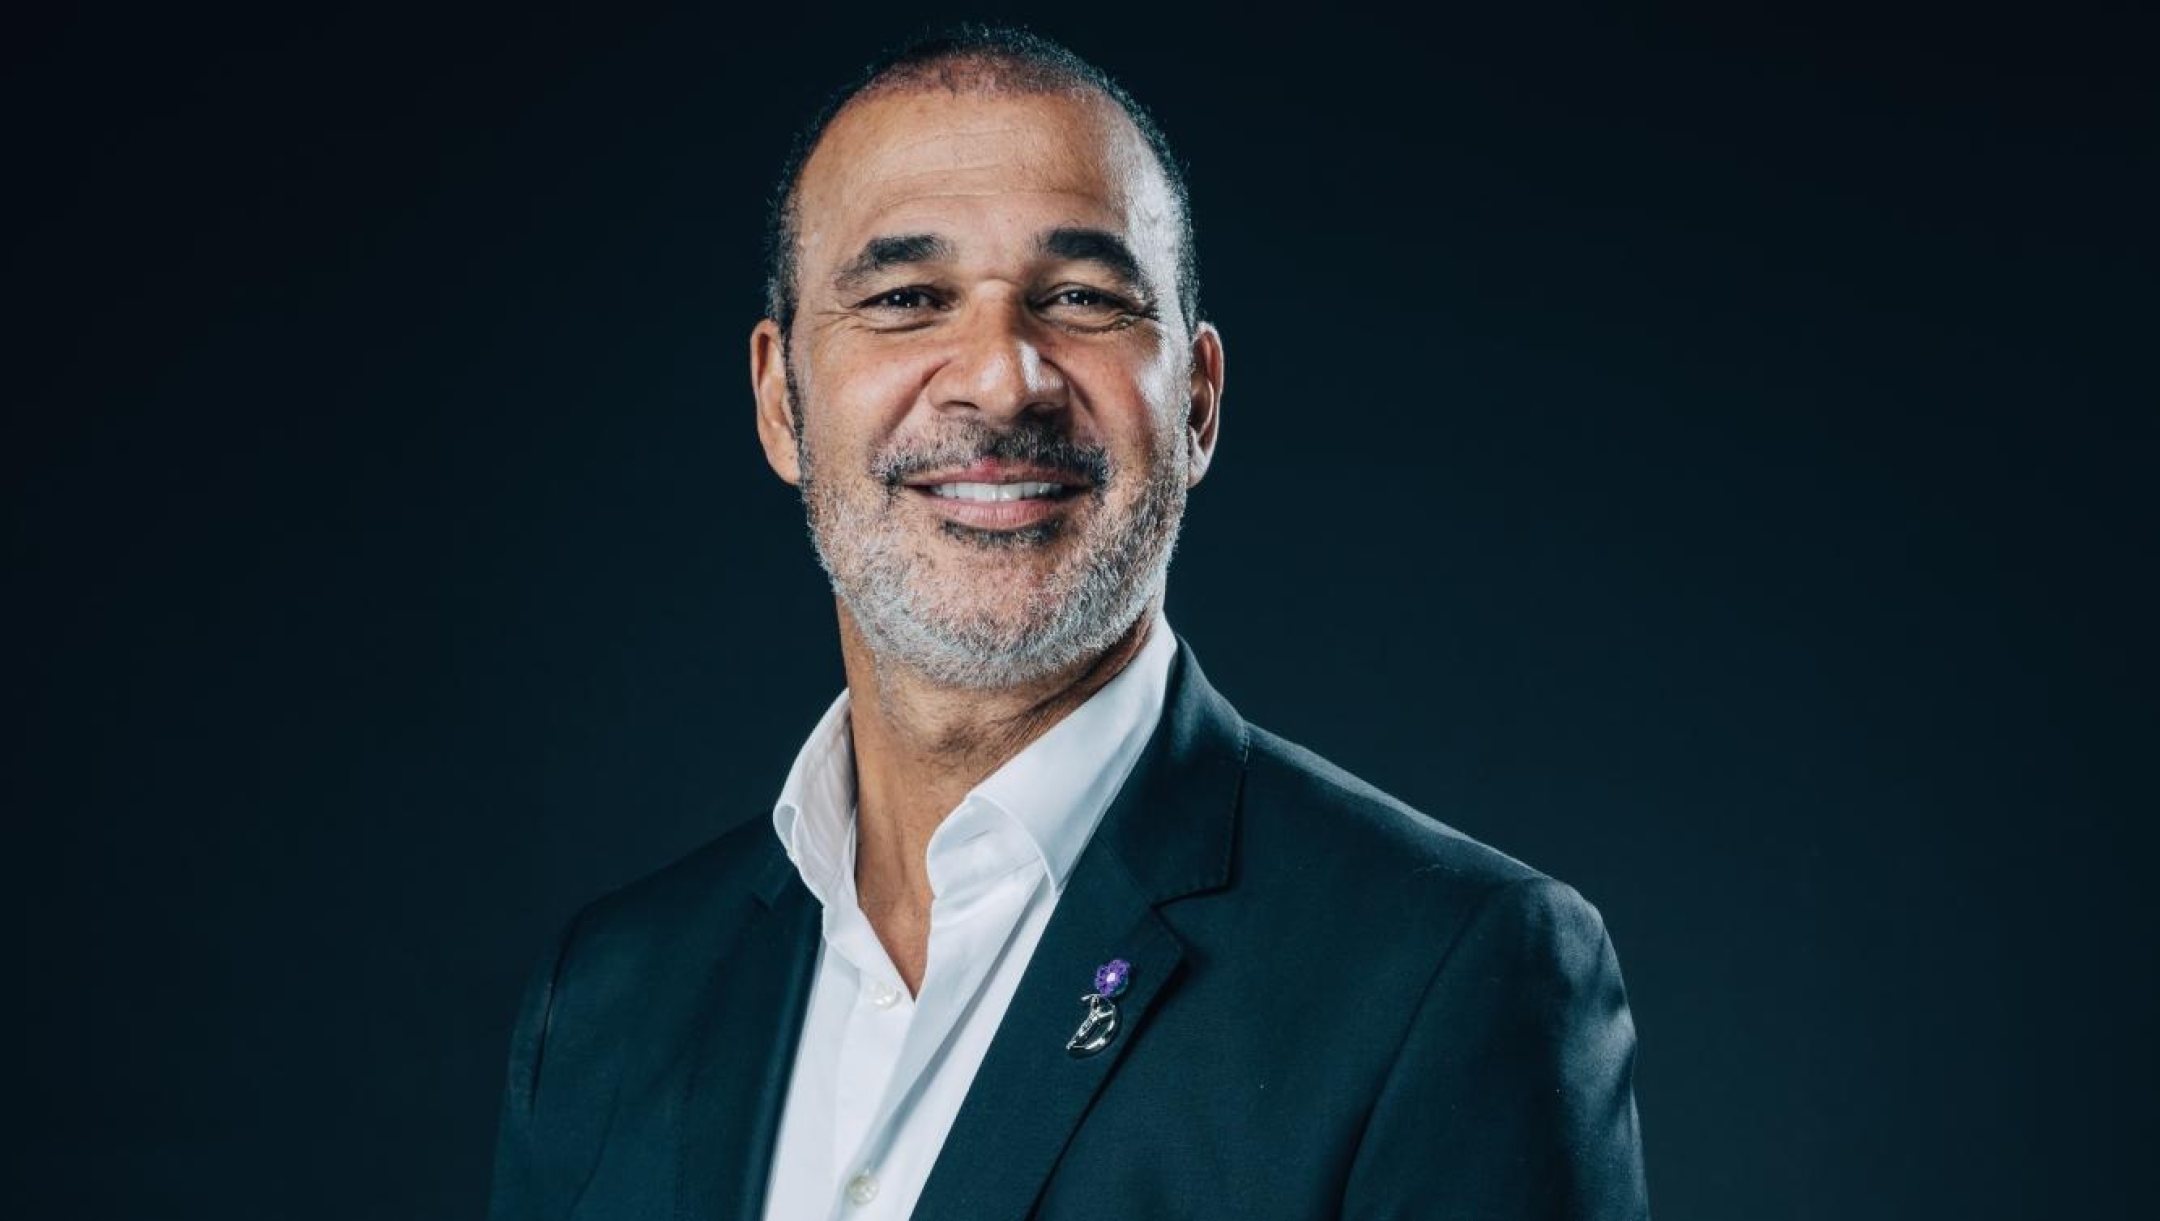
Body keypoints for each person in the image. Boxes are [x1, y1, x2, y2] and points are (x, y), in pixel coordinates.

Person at [485, 24, 1649, 1221]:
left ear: (1196, 404)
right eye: (905, 298)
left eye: (1083, 298)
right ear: (781, 401)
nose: (1001, 376)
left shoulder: (1451, 977)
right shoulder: (610, 999)